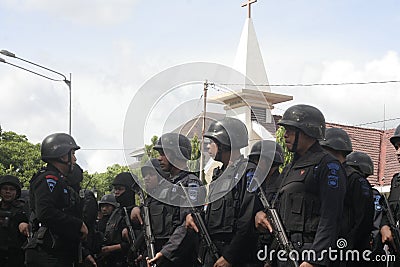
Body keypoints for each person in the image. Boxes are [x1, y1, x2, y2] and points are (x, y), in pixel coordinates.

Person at [258, 104, 347, 266]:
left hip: (307, 253)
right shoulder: (289, 168)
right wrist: (261, 215)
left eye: (291, 131)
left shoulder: (327, 165)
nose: (285, 135)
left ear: (308, 132)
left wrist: (315, 260)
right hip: (282, 251)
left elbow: (331, 217)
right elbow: (275, 204)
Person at [186, 117, 260, 267]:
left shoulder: (247, 172)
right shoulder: (218, 175)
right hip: (213, 250)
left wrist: (230, 256)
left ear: (225, 143)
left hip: (236, 256)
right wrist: (193, 216)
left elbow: (246, 221)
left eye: (212, 142)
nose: (208, 148)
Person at [131, 133, 204, 267]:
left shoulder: (191, 184)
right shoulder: (166, 187)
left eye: (163, 154)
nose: (159, 159)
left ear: (177, 154)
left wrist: (165, 252)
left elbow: (187, 225)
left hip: (180, 260)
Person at [25, 133, 91, 267]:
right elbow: (45, 212)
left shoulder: (59, 180)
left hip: (58, 251)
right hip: (48, 253)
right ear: (62, 156)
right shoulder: (49, 179)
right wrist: (78, 224)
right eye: (72, 154)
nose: (75, 159)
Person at [320, 128, 374, 266]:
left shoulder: (355, 179)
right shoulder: (328, 175)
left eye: (323, 149)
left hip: (350, 254)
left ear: (334, 148)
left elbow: (364, 219)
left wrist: (347, 247)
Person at [250, 140, 285, 267]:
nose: (254, 166)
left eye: (256, 161)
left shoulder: (282, 185)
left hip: (274, 251)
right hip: (256, 249)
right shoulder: (258, 184)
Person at [100, 172, 137, 267]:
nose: (116, 192)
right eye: (115, 189)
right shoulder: (116, 212)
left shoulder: (135, 212)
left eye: (120, 189)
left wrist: (112, 248)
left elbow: (135, 242)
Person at [380, 124, 400, 263]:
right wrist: (384, 226)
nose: (398, 152)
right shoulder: (396, 181)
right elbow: (388, 212)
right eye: (397, 147)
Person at [0, 175, 29, 267]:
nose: (8, 191)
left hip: (15, 255)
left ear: (16, 193)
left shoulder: (23, 209)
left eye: (12, 189)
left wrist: (24, 225)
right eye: (5, 188)